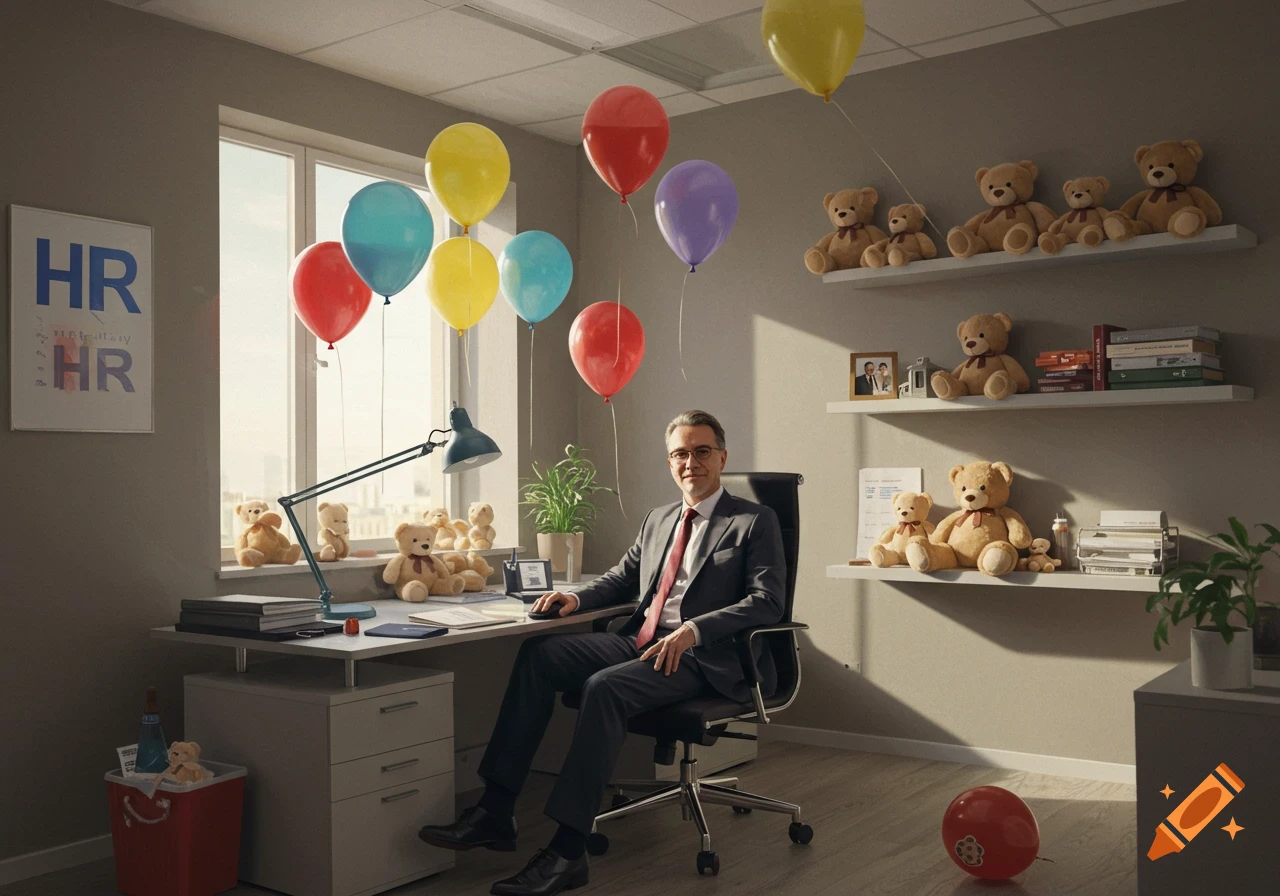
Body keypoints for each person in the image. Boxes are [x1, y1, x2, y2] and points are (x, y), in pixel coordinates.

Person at [419, 410, 786, 896]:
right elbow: (623, 576)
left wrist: (694, 630)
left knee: (604, 688)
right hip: (641, 641)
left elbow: (766, 600)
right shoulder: (659, 519)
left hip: (705, 657)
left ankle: (568, 852)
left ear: (722, 456)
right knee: (539, 655)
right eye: (680, 453)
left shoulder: (754, 521)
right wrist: (577, 599)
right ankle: (496, 810)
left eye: (701, 451)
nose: (690, 462)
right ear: (669, 462)